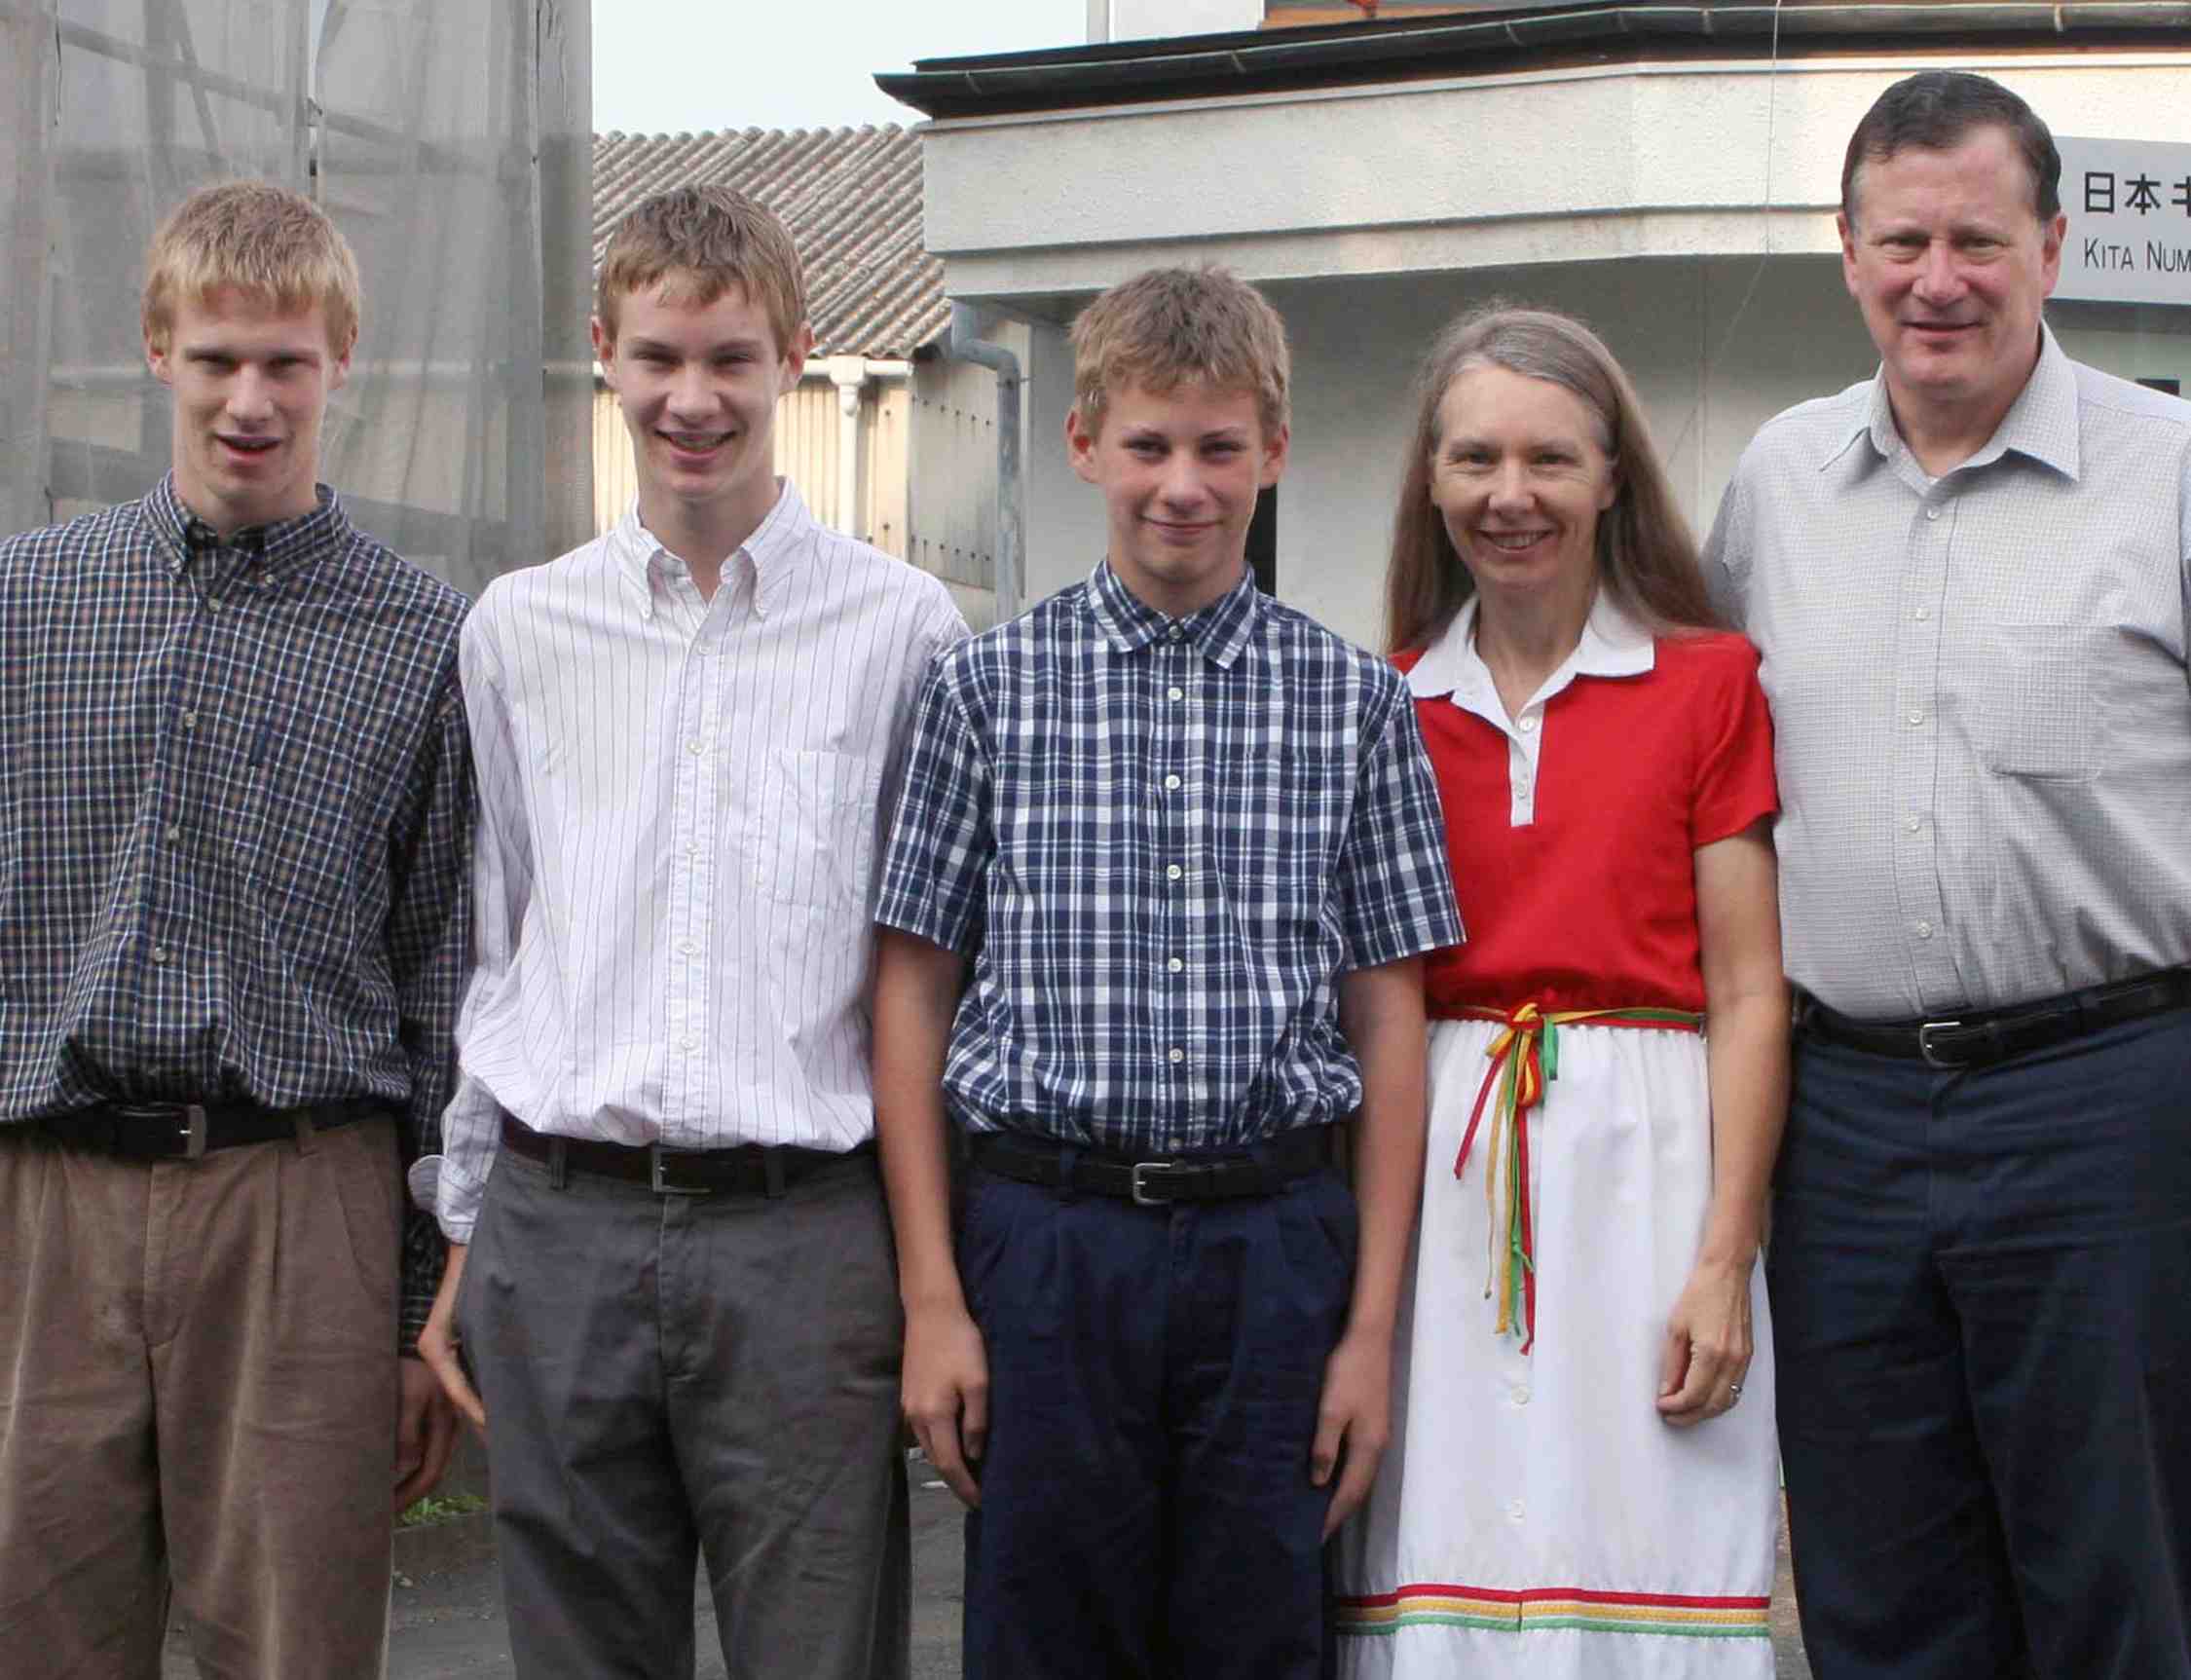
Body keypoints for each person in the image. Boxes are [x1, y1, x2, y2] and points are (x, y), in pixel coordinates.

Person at [870, 265, 1462, 1680]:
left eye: (1216, 447)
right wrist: (936, 1299)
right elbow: (909, 992)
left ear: (1273, 449)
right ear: (1084, 445)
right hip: (1048, 1240)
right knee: (1042, 1638)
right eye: (1146, 444)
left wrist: (1369, 1328)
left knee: (1257, 1638)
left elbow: (1390, 1022)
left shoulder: (1356, 704)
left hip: (1271, 1245)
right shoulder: (982, 690)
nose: (1180, 484)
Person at [412, 182, 967, 1680]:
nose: (692, 397)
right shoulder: (517, 629)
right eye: (658, 356)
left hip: (802, 1235)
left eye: (728, 357)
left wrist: (933, 1278)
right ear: (604, 352)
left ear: (792, 352)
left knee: (822, 1654)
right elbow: (500, 940)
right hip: (561, 1228)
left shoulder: (906, 631)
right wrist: (467, 1229)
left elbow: (933, 974)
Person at [1703, 68, 2191, 1680]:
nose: (1937, 279)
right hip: (1839, 1125)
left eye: (1976, 239)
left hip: (2107, 1102)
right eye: (1900, 239)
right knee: (1874, 1574)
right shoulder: (1773, 486)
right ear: (1841, 250)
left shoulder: (2167, 472)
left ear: (2052, 245)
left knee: (2120, 1564)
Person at [0, 180, 470, 1678]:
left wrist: (412, 1319)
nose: (249, 400)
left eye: (286, 361)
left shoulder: (422, 636)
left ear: (343, 362)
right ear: (156, 353)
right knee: (38, 1629)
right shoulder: (26, 604)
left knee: (290, 1647)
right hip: (48, 1200)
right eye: (216, 359)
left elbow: (442, 979)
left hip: (297, 1198)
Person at [1330, 304, 1790, 1678]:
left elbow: (1750, 989)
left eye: (1546, 459)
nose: (1508, 495)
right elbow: (1379, 1006)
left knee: (1646, 1536)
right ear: (1428, 478)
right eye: (1473, 458)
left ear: (1609, 478)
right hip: (1442, 1170)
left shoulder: (1707, 683)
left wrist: (1724, 1257)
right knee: (1446, 1548)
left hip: (1649, 1160)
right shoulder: (1384, 699)